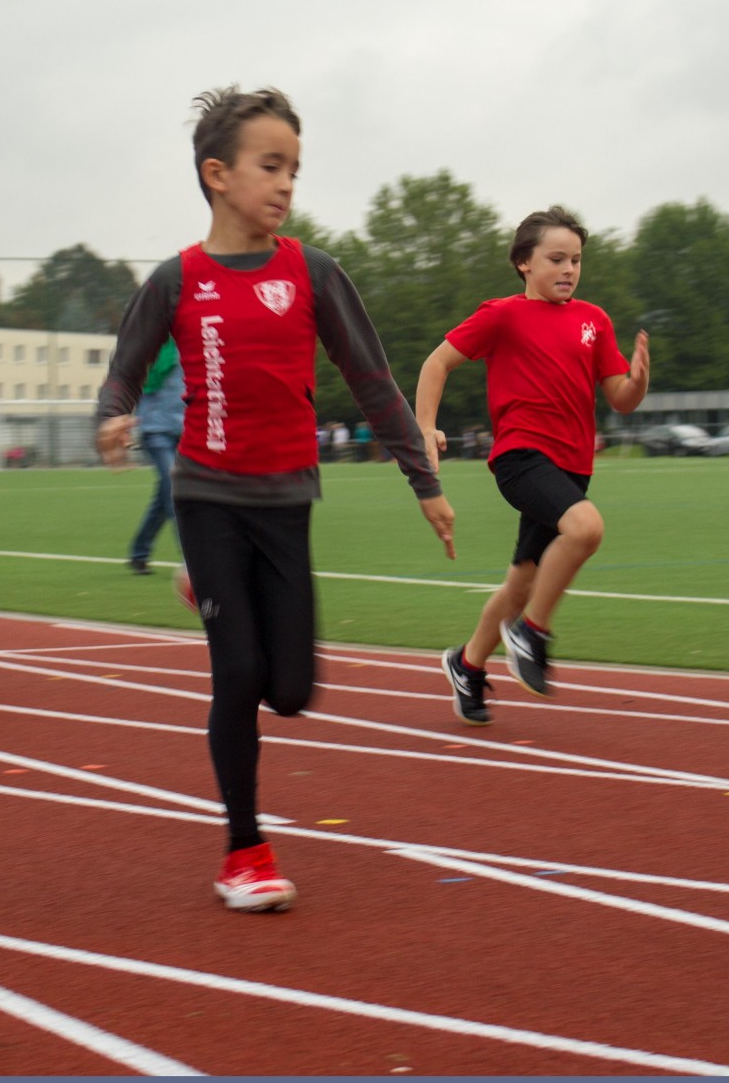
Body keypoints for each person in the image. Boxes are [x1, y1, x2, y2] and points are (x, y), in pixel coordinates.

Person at [95, 85, 456, 913]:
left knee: (292, 690)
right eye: (271, 165)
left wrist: (424, 482)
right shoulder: (176, 280)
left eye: (294, 167)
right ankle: (244, 850)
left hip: (287, 497)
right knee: (241, 674)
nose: (287, 183)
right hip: (207, 492)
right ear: (217, 175)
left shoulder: (313, 273)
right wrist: (112, 416)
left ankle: (199, 583)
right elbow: (123, 370)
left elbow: (373, 382)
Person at [416, 205, 650, 725]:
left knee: (522, 578)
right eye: (556, 259)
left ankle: (468, 664)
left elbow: (621, 398)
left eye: (577, 260)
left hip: (573, 465)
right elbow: (437, 362)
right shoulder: (502, 315)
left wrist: (637, 380)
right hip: (522, 457)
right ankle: (531, 632)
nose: (569, 270)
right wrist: (426, 425)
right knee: (586, 527)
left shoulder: (594, 320)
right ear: (524, 262)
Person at [126, 338, 186, 575]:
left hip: (183, 430)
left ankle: (139, 552)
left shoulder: (194, 346)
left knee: (164, 496)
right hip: (155, 430)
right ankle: (192, 558)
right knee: (175, 489)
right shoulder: (156, 347)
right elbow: (139, 378)